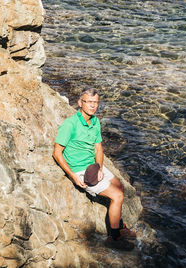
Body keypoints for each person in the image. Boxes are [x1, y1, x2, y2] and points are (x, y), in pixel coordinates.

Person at [52, 87, 136, 251]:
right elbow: (57, 153)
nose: (93, 105)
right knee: (117, 196)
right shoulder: (70, 124)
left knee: (119, 186)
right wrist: (73, 177)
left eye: (95, 102)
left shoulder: (95, 121)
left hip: (93, 166)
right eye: (89, 102)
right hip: (81, 171)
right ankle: (114, 237)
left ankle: (119, 224)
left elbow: (98, 148)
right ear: (80, 103)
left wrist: (99, 167)